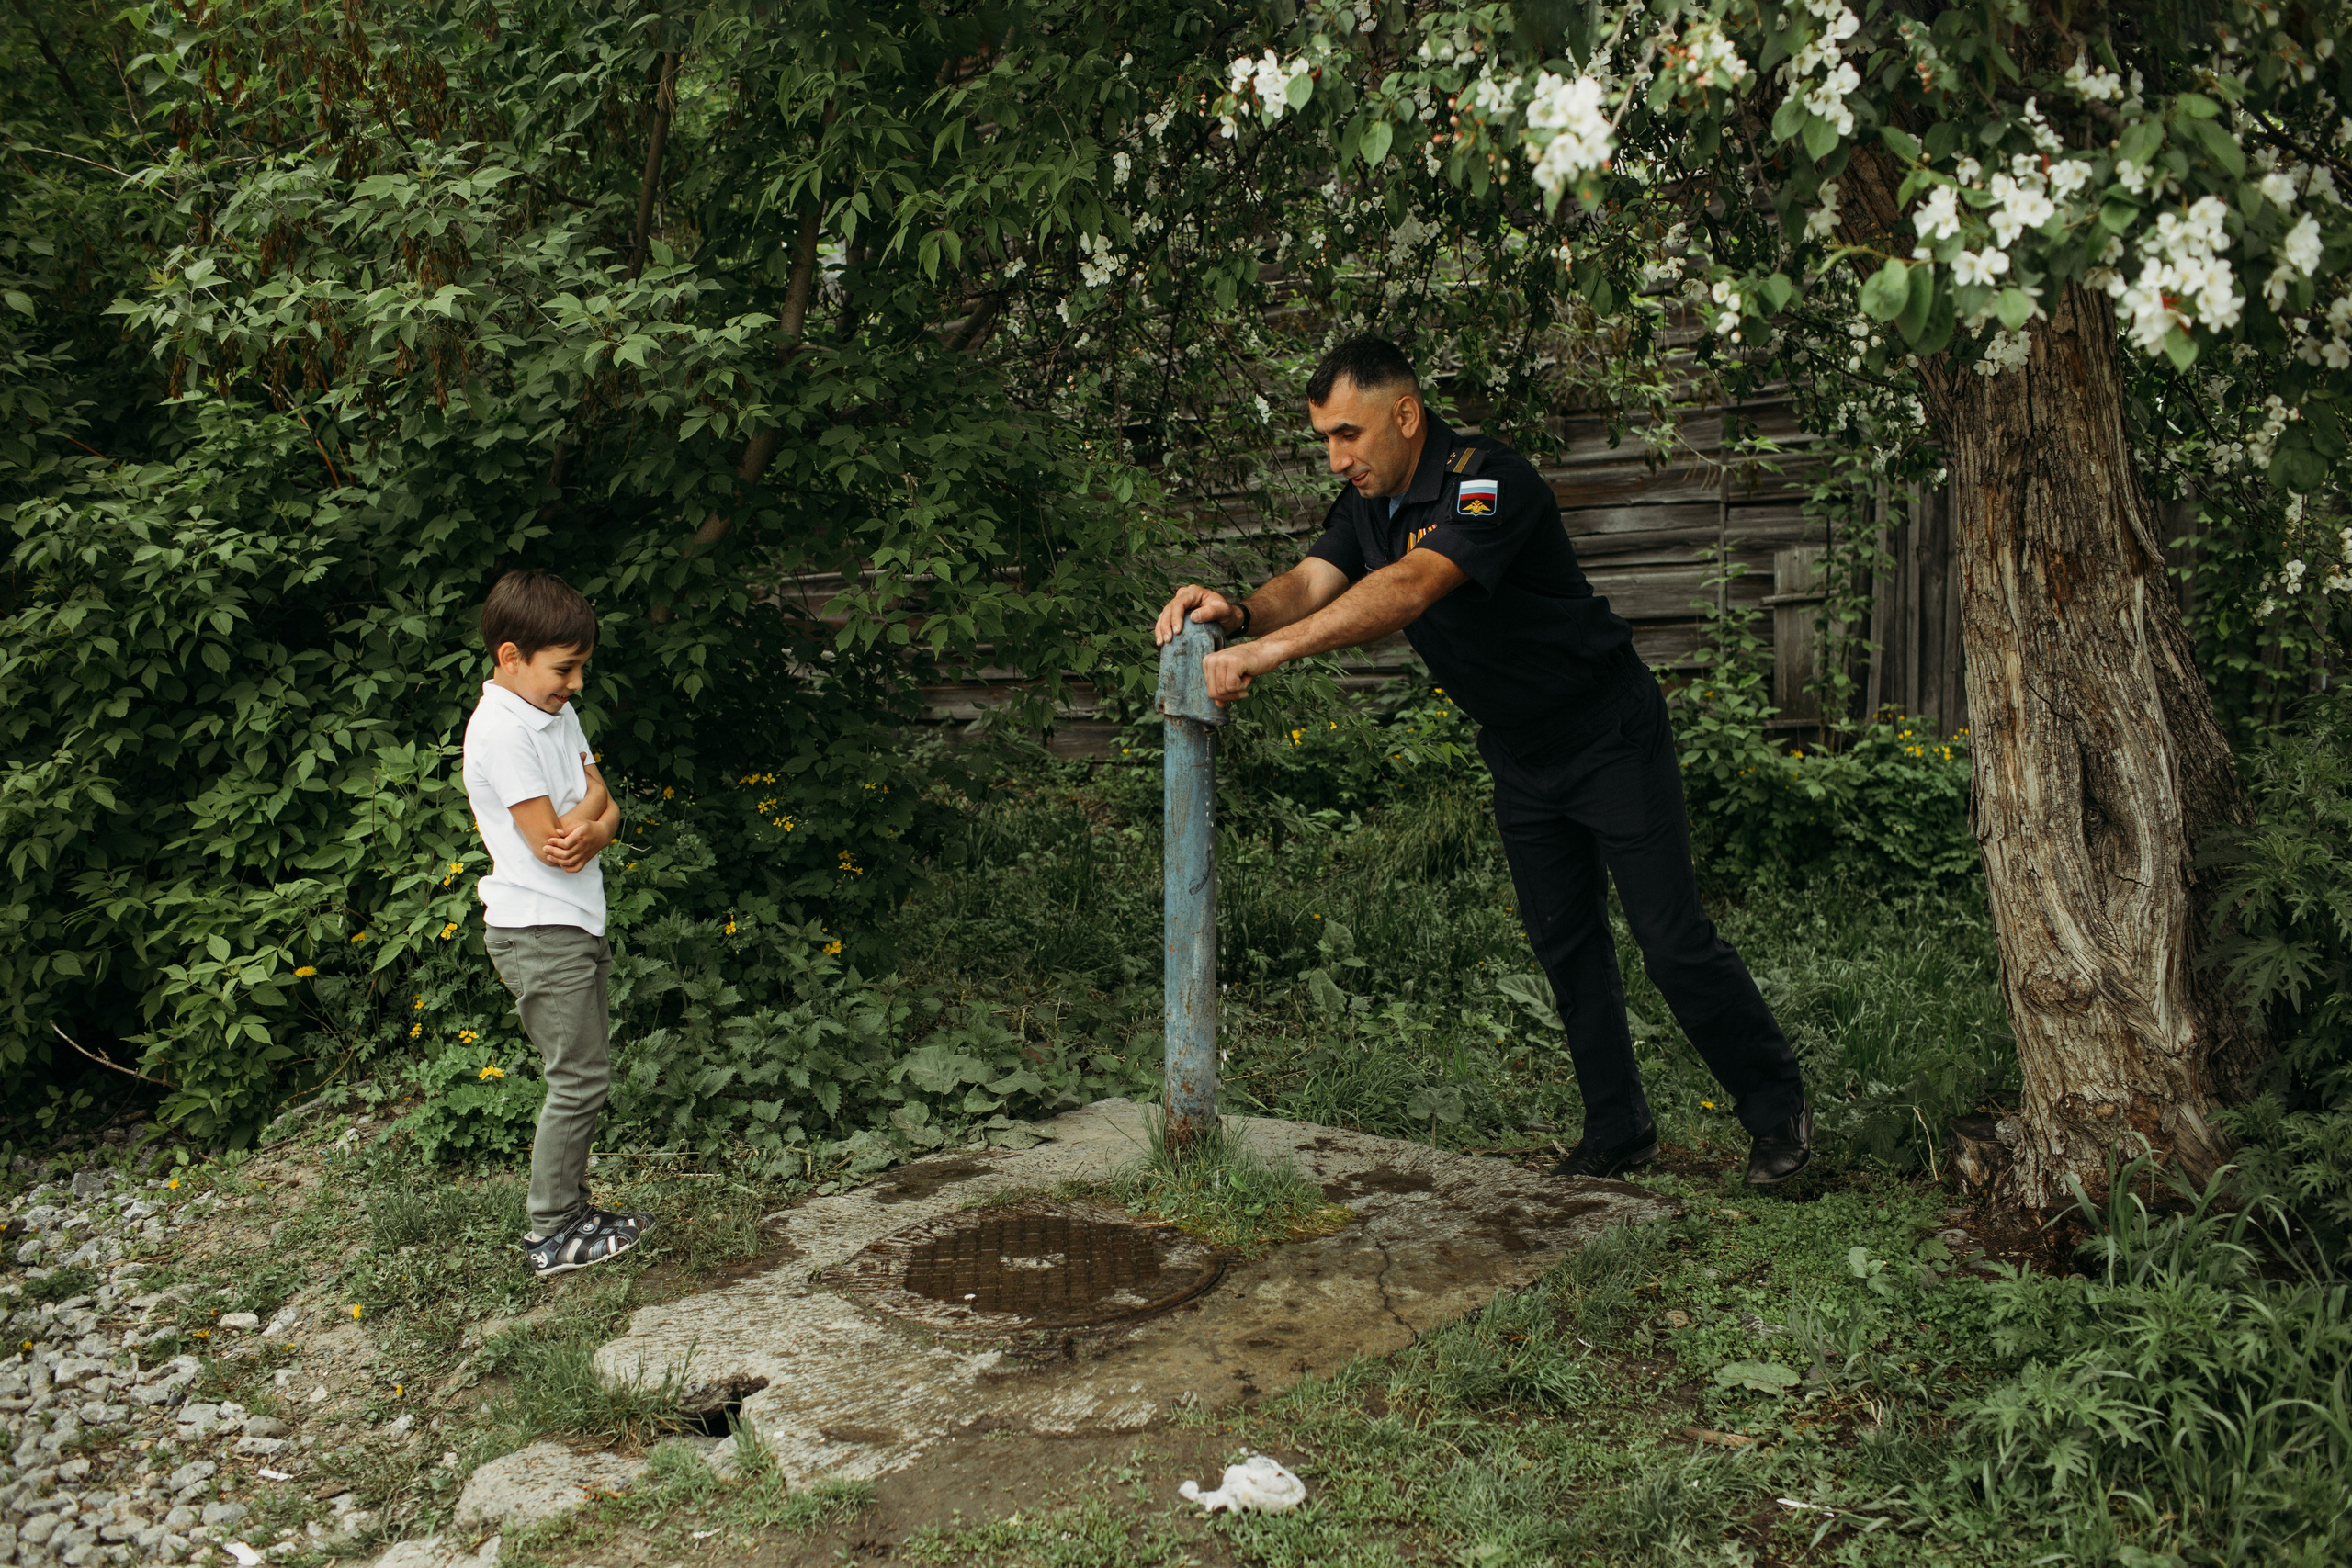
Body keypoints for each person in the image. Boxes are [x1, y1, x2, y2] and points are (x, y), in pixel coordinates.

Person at [1154, 335, 1811, 1187]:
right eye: (1323, 438)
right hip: (1521, 752)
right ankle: (1619, 1132)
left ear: (1405, 414)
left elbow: (1412, 588)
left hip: (1607, 732)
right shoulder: (1367, 503)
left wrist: (1267, 655)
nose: (1335, 457)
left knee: (1671, 940)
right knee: (1564, 943)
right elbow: (1316, 579)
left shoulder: (1487, 478)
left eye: (1346, 434)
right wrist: (1239, 612)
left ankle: (1777, 1114)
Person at [461, 569, 653, 1273]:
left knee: (587, 1071)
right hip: (537, 927)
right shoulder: (500, 731)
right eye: (563, 668)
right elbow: (555, 846)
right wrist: (591, 820)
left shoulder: (554, 713)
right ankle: (551, 1231)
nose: (574, 683)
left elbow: (607, 804)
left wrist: (596, 826)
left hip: (573, 920)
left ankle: (574, 1210)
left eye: (579, 669)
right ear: (511, 656)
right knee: (577, 1077)